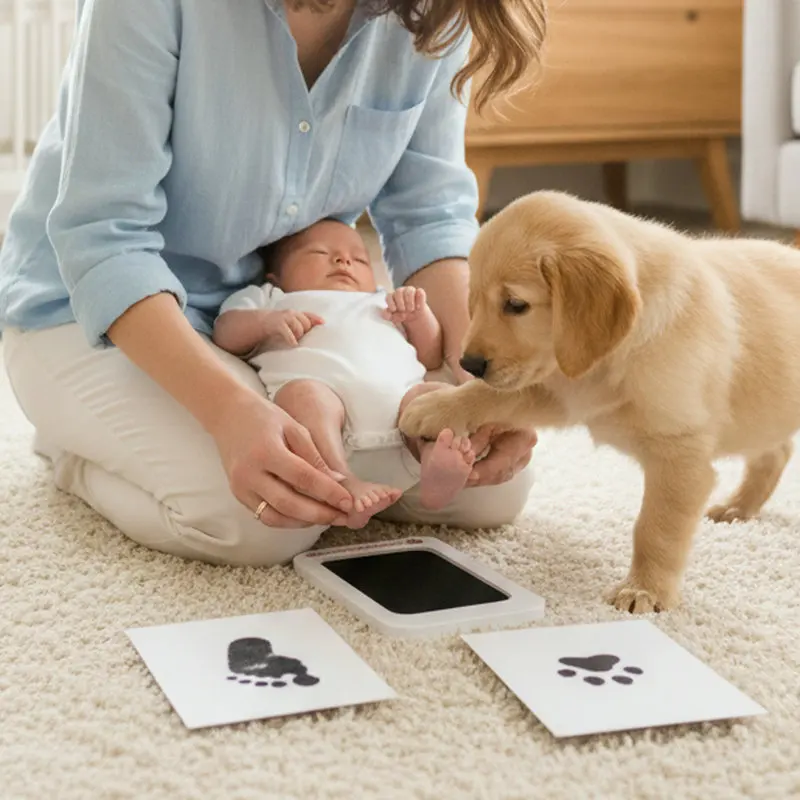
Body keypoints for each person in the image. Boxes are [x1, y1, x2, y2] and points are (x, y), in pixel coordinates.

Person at [0, 0, 546, 567]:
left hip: (282, 322)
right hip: (93, 314)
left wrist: (479, 385)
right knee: (258, 523)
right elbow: (105, 238)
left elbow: (428, 216)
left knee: (493, 490)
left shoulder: (434, 9)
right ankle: (73, 451)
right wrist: (228, 410)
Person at [213, 218, 481, 529]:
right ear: (276, 276)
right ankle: (342, 480)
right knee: (306, 396)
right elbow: (225, 332)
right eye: (319, 252)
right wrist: (265, 322)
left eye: (360, 258)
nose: (344, 260)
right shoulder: (271, 298)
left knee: (435, 397)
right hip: (323, 434)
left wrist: (419, 317)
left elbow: (431, 356)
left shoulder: (382, 300)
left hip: (403, 421)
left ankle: (435, 462)